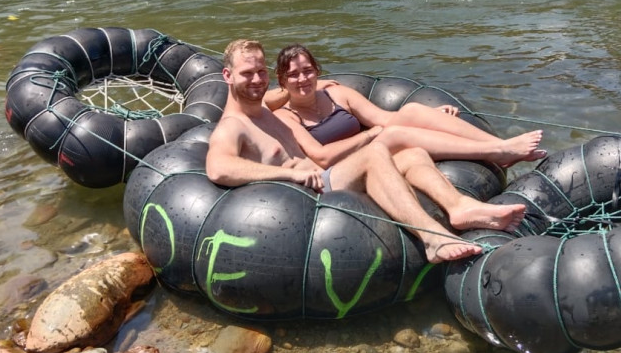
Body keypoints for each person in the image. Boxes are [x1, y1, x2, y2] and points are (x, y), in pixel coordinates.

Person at [204, 40, 485, 263]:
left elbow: (283, 93)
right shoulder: (232, 126)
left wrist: (318, 84)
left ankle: (460, 207)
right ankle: (433, 238)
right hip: (309, 196)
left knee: (412, 154)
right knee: (375, 152)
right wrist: (286, 175)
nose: (256, 80)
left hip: (327, 176)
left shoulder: (263, 109)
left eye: (261, 72)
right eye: (247, 74)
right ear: (227, 76)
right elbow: (218, 167)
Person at [270, 44, 546, 171]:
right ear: (282, 81)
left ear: (317, 71)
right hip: (343, 167)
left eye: (307, 71)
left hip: (372, 147)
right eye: (293, 75)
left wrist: (428, 118)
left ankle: (502, 147)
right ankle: (495, 152)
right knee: (391, 135)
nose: (302, 79)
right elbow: (321, 157)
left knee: (411, 111)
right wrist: (370, 134)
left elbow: (386, 118)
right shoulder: (285, 116)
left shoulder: (337, 94)